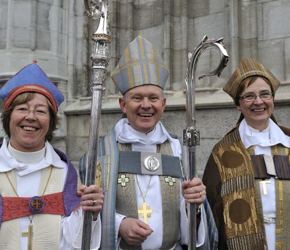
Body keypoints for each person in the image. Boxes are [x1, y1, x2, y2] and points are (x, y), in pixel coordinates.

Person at [79, 35, 218, 250]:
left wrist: (195, 205)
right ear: (123, 105)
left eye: (153, 98)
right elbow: (86, 213)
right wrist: (119, 225)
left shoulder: (177, 150)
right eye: (137, 98)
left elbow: (190, 220)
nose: (146, 105)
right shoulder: (100, 154)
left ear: (163, 104)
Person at [0, 61, 104, 250]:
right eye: (22, 109)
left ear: (50, 122)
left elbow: (76, 241)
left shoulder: (65, 173)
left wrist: (90, 213)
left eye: (40, 111)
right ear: (8, 117)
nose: (31, 117)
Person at [202, 58, 290, 250]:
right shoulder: (222, 152)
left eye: (265, 94)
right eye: (249, 96)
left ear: (273, 98)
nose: (258, 102)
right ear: (238, 104)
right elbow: (210, 214)